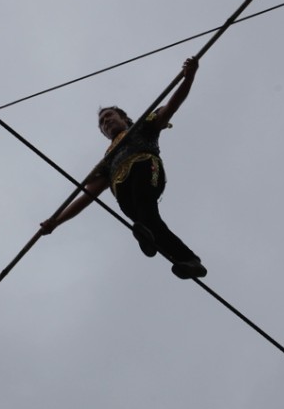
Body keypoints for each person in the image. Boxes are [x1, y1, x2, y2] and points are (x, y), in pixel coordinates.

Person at [40, 58, 207, 279]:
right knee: (149, 221)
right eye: (102, 122)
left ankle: (149, 237)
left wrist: (189, 76)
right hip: (124, 193)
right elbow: (87, 196)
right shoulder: (106, 160)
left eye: (109, 116)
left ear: (124, 118)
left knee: (143, 203)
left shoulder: (142, 126)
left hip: (145, 170)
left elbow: (172, 105)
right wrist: (56, 221)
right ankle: (187, 260)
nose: (106, 121)